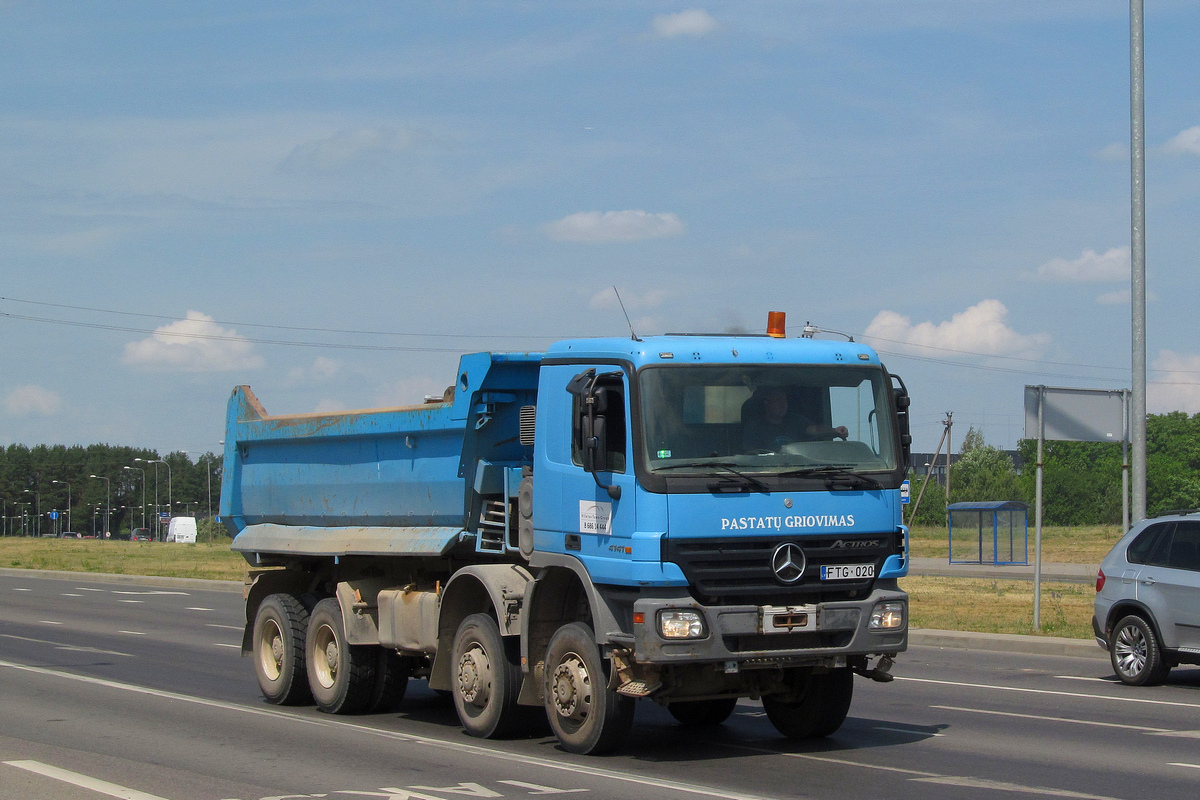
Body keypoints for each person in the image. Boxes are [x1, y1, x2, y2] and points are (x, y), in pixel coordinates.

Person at [741, 387, 847, 452]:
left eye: (785, 401)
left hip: (798, 469)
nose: (783, 405)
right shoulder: (754, 427)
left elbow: (815, 430)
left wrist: (834, 431)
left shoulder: (795, 420)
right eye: (778, 401)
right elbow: (752, 455)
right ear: (767, 404)